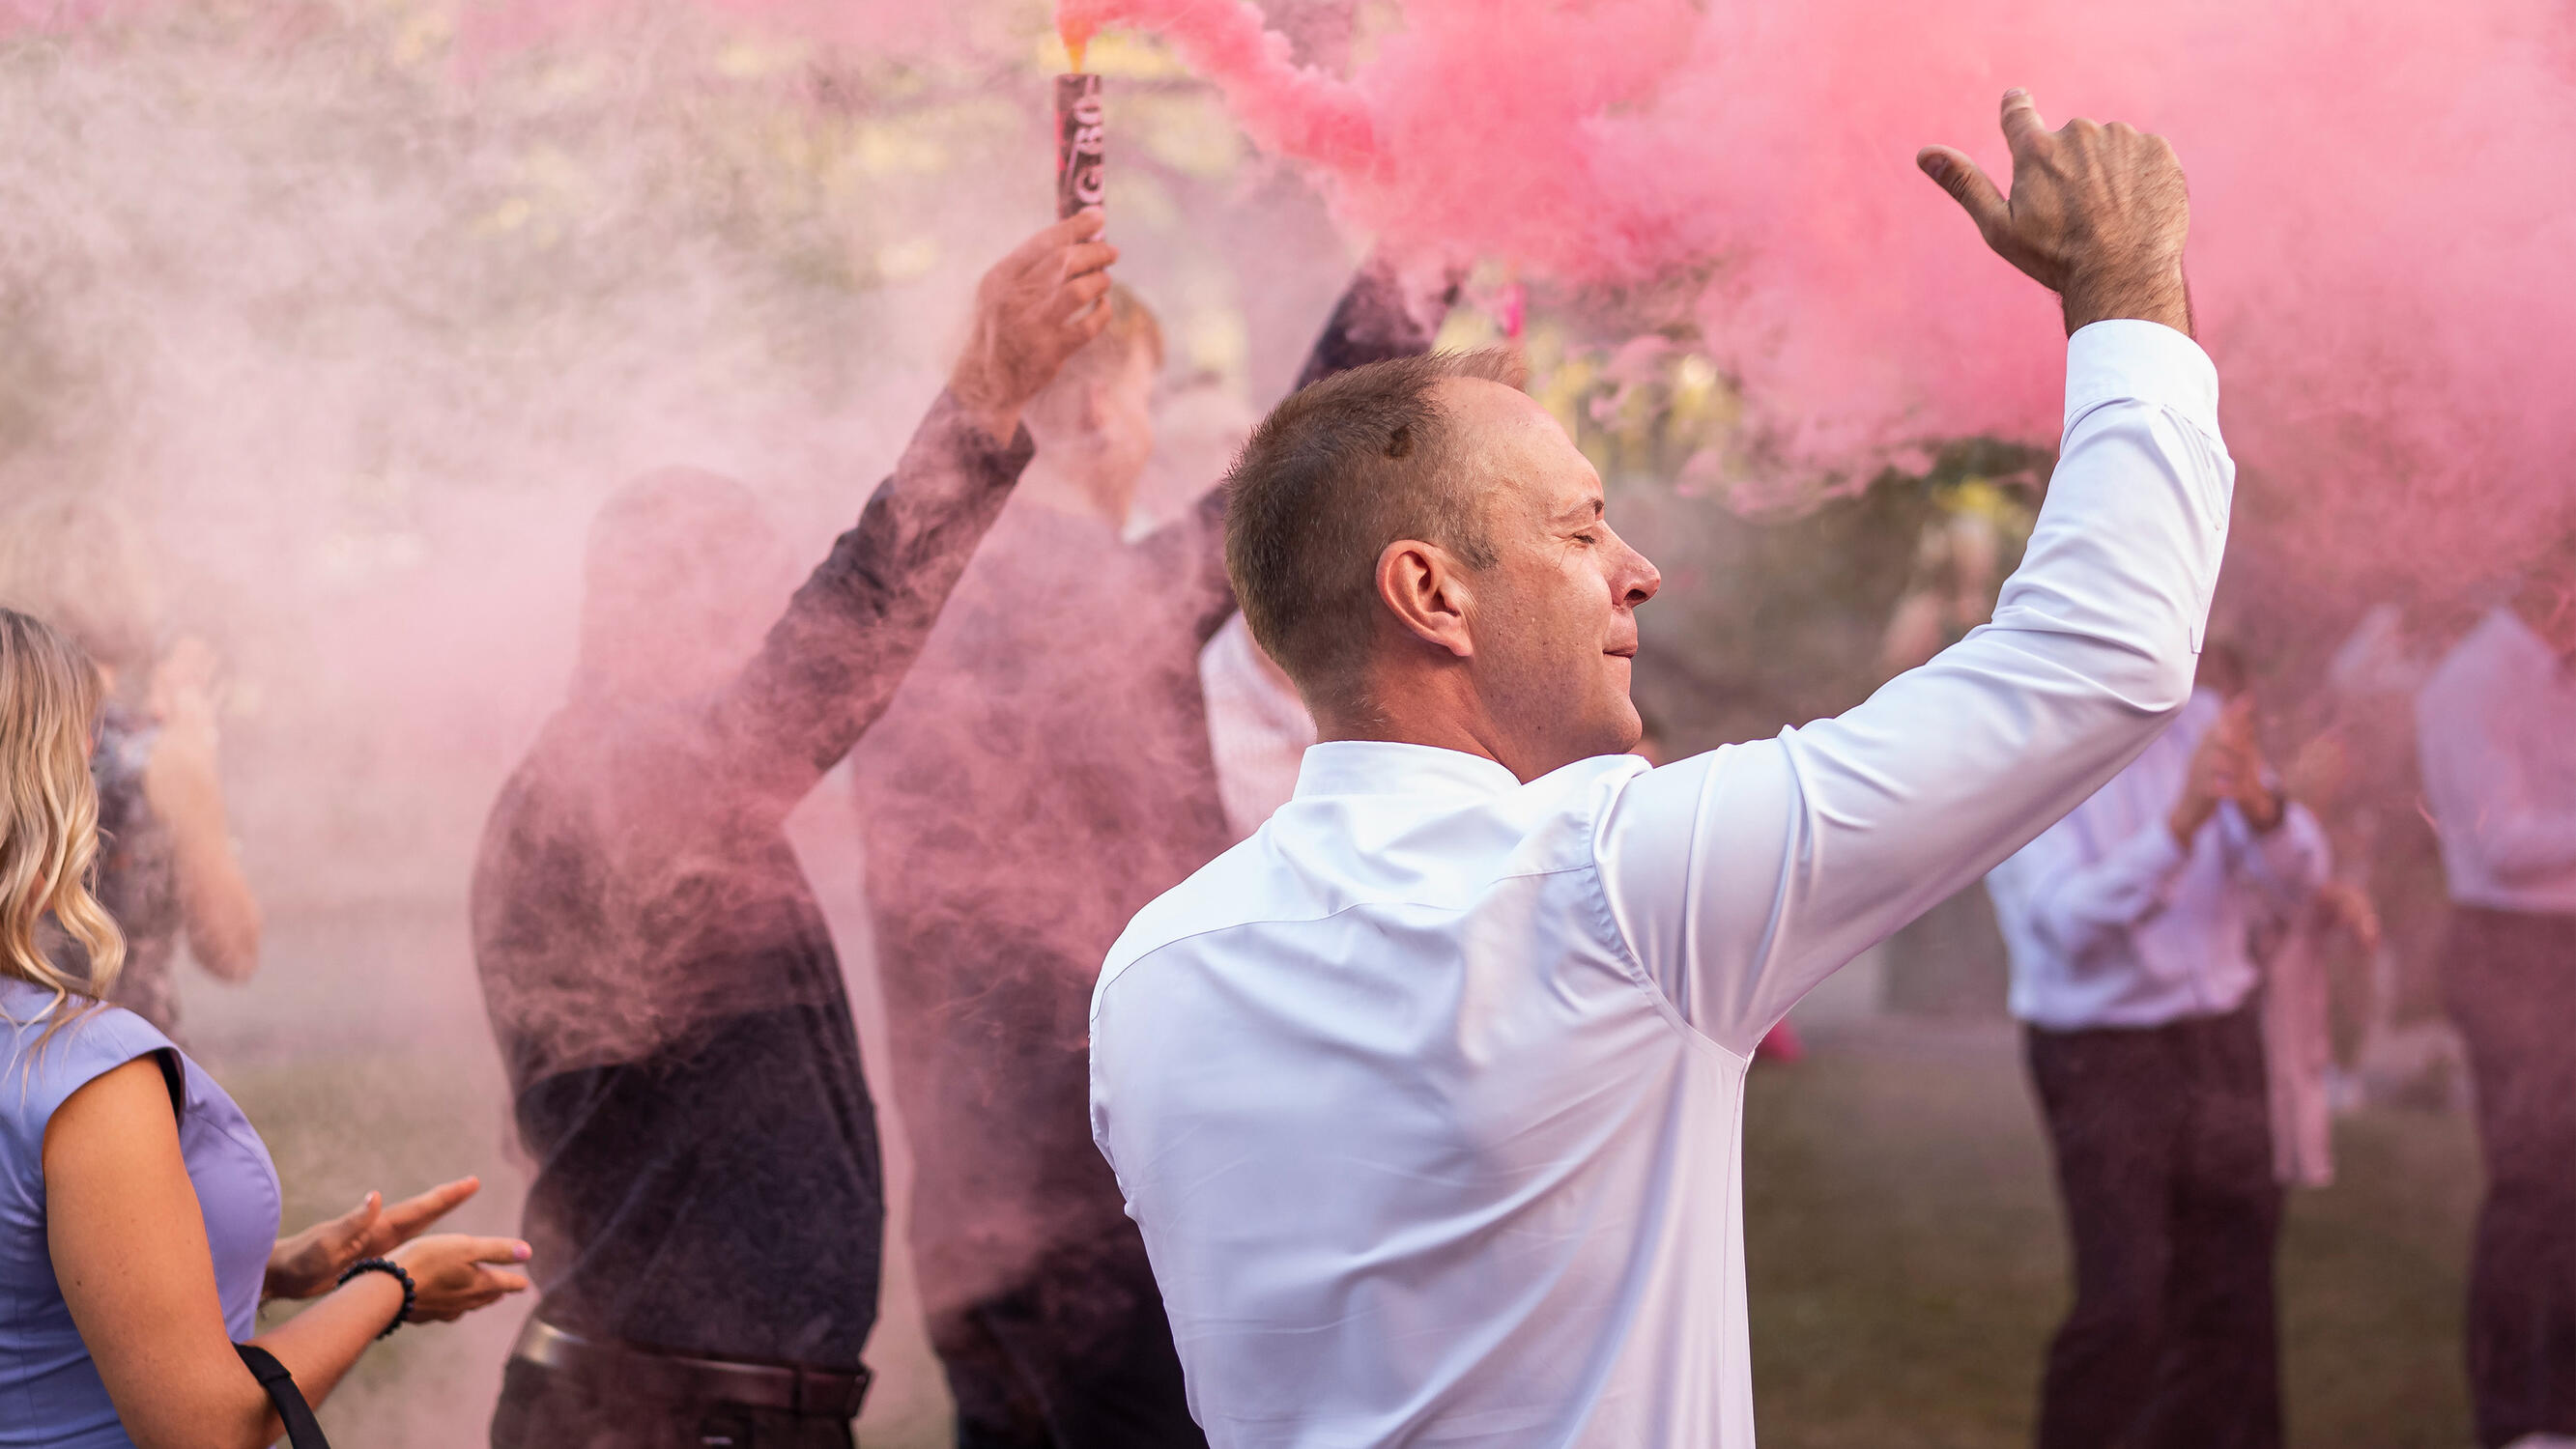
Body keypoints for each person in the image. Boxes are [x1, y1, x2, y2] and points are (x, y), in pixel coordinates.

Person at [1088, 91, 2225, 1446]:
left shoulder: (1147, 974)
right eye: (1579, 532)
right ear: (1430, 594)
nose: (1638, 571)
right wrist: (2126, 289)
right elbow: (2097, 656)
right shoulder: (1612, 891)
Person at [467, 212, 1117, 1449]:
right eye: (757, 596)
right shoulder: (610, 784)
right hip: (665, 1424)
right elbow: (819, 670)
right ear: (654, 603)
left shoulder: (637, 781)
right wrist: (981, 399)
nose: (772, 624)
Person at [844, 250, 1453, 1447]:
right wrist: (1428, 240)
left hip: (966, 1215)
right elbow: (1311, 457)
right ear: (1090, 409)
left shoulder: (900, 614)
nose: (1141, 437)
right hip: (1114, 1201)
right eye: (1137, 396)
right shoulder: (1091, 599)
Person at [0, 607, 530, 1449]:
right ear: (45, 801)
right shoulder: (83, 1074)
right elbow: (204, 1429)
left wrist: (272, 1269)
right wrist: (392, 1285)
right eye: (84, 760)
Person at [1984, 645, 2330, 1449]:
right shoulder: (2030, 753)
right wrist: (2179, 828)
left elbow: (2298, 877)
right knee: (2127, 1305)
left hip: (2222, 1036)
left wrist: (2264, 810)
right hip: (2102, 1055)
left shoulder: (2199, 721)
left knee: (2235, 1299)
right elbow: (2066, 925)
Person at [2416, 529, 2576, 1449]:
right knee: (2530, 1190)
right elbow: (2502, 844)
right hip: (2508, 951)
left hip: (2560, 951)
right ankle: (2515, 1418)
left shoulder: (2555, 676)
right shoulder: (2474, 681)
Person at [0, 495, 262, 1038]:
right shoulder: (160, 752)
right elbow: (233, 953)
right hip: (126, 1061)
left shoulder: (17, 734)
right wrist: (197, 776)